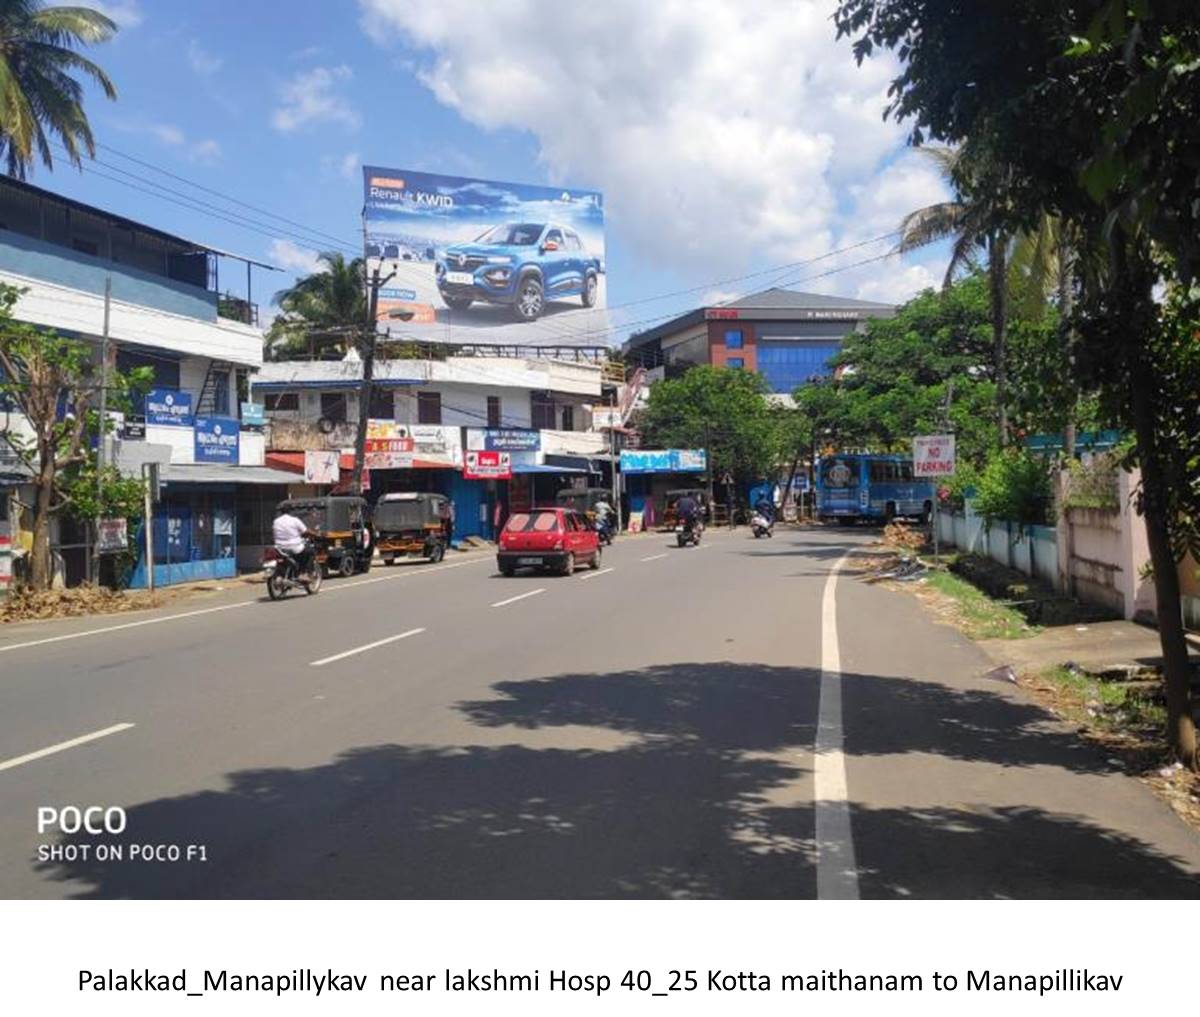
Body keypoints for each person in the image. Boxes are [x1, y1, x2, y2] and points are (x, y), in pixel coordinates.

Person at [273, 506, 320, 575]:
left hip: (280, 548)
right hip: (293, 546)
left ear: (281, 512)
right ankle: (302, 572)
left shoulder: (276, 521)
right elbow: (306, 531)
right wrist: (316, 534)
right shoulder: (295, 520)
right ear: (290, 512)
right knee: (310, 552)